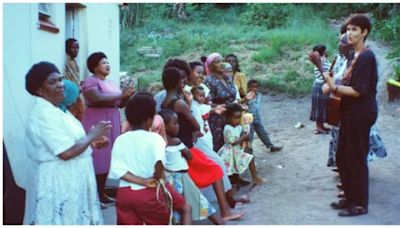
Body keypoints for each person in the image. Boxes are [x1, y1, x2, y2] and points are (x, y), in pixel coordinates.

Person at [24, 61, 111, 224]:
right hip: (58, 182)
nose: (60, 85)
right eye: (52, 82)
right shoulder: (43, 113)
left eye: (60, 79)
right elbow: (65, 152)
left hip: (71, 180)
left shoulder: (57, 111)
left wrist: (92, 142)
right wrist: (92, 135)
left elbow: (72, 142)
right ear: (39, 90)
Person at [161, 66, 245, 220]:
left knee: (206, 177)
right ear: (178, 83)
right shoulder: (180, 103)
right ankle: (225, 211)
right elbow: (195, 125)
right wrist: (189, 106)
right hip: (187, 148)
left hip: (181, 147)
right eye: (182, 79)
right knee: (215, 169)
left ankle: (224, 209)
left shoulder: (164, 103)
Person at [320, 14, 378, 216]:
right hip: (349, 112)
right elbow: (345, 85)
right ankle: (350, 197)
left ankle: (360, 204)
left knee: (355, 158)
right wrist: (332, 84)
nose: (350, 33)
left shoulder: (367, 57)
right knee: (342, 157)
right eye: (348, 29)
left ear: (364, 32)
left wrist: (332, 86)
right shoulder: (355, 55)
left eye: (355, 29)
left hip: (361, 113)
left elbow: (357, 90)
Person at [108, 93, 192, 225]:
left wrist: (141, 181)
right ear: (149, 120)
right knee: (185, 208)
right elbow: (159, 164)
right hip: (149, 192)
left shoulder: (120, 139)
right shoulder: (154, 138)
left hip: (125, 194)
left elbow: (118, 170)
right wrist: (154, 179)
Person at [81, 52, 135, 208]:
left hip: (112, 117)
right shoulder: (90, 81)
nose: (107, 65)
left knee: (108, 156)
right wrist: (120, 94)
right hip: (97, 119)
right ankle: (95, 195)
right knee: (99, 155)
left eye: (107, 62)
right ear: (94, 67)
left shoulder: (111, 83)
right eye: (103, 62)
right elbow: (95, 99)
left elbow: (120, 103)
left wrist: (126, 96)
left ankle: (102, 193)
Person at [158, 109, 224, 224]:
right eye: (175, 123)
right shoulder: (176, 141)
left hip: (169, 179)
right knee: (199, 200)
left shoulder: (159, 143)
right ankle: (219, 223)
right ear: (166, 127)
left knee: (177, 207)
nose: (178, 126)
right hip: (182, 177)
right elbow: (189, 156)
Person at [218, 103, 265, 184]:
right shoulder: (227, 129)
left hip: (237, 150)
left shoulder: (238, 126)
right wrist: (243, 137)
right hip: (230, 152)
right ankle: (231, 184)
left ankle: (255, 177)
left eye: (240, 118)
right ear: (228, 118)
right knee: (230, 169)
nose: (238, 120)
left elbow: (242, 135)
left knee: (250, 158)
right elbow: (233, 142)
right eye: (236, 118)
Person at [247, 80, 283, 152]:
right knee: (249, 136)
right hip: (249, 119)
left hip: (257, 117)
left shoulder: (258, 95)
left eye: (256, 87)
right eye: (252, 87)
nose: (255, 89)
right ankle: (248, 150)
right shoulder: (246, 97)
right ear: (248, 88)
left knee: (262, 132)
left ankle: (270, 146)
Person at [310, 44, 331, 134]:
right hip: (320, 85)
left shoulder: (323, 60)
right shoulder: (321, 61)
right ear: (322, 51)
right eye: (326, 50)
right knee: (320, 107)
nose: (327, 51)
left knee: (322, 106)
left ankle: (321, 126)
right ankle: (318, 127)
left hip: (322, 85)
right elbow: (325, 73)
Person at [65, 38, 85, 121]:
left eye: (77, 48)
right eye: (73, 48)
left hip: (76, 94)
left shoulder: (74, 62)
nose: (76, 50)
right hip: (70, 96)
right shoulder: (66, 62)